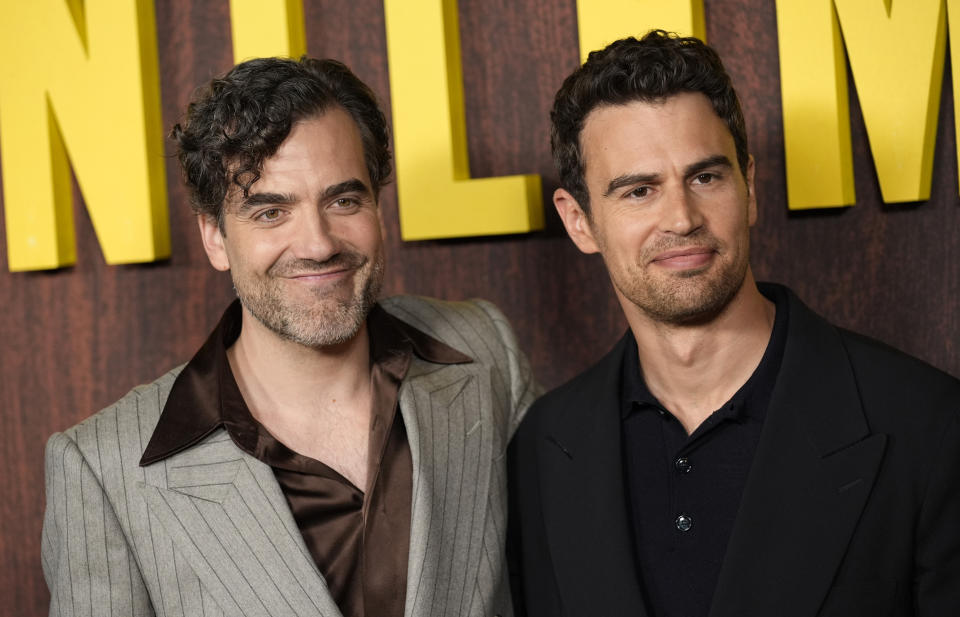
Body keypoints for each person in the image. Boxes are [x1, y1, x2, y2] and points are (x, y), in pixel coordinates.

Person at [42, 57, 535, 617]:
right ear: (216, 238)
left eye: (343, 201)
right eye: (271, 212)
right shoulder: (103, 468)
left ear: (378, 205)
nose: (319, 243)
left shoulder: (485, 353)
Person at [508, 30, 960, 617]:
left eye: (705, 177)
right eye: (639, 191)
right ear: (579, 222)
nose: (681, 217)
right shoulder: (542, 451)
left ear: (748, 186)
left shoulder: (927, 426)